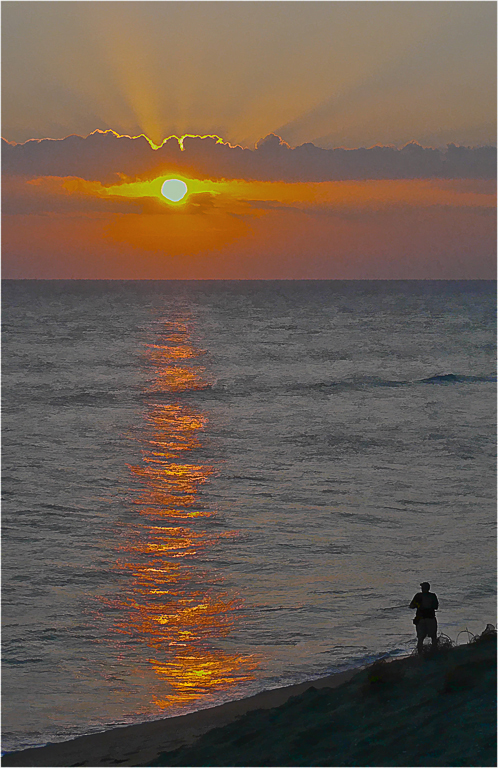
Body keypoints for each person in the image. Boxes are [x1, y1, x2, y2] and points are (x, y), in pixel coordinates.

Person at [410, 582, 439, 654]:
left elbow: (412, 606)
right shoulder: (432, 596)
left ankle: (420, 654)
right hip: (431, 618)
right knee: (433, 637)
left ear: (423, 588)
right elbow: (436, 606)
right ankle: (434, 652)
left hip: (420, 619)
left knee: (420, 638)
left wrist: (418, 605)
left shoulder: (418, 596)